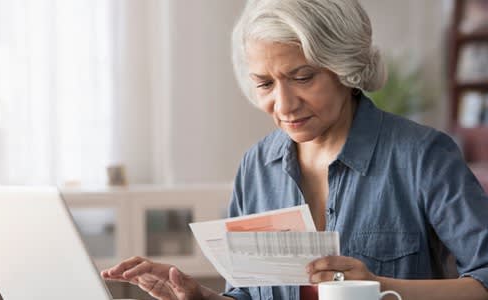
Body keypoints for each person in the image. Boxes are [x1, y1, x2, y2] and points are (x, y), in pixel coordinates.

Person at [101, 1, 488, 299]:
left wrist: (380, 289)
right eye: (265, 84)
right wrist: (199, 295)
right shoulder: (257, 167)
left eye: (302, 77)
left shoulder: (422, 156)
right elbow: (248, 294)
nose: (284, 106)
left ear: (346, 68)